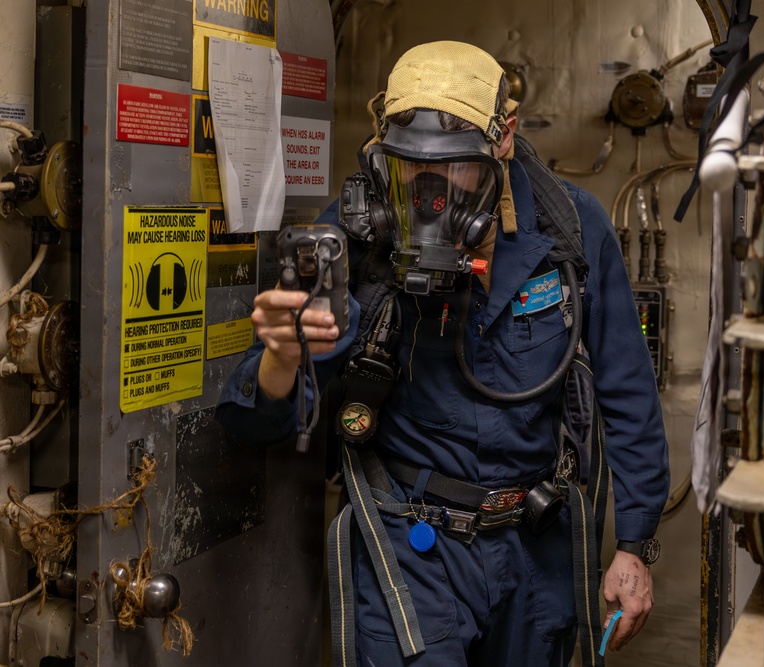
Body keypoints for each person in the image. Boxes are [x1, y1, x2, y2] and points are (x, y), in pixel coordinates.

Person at [215, 40, 669, 666]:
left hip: (536, 550)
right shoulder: (350, 241)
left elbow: (627, 390)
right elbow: (249, 420)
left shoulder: (571, 230)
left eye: (458, 166)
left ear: (502, 139)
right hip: (411, 549)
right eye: (409, 166)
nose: (433, 194)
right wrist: (282, 359)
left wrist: (636, 544)